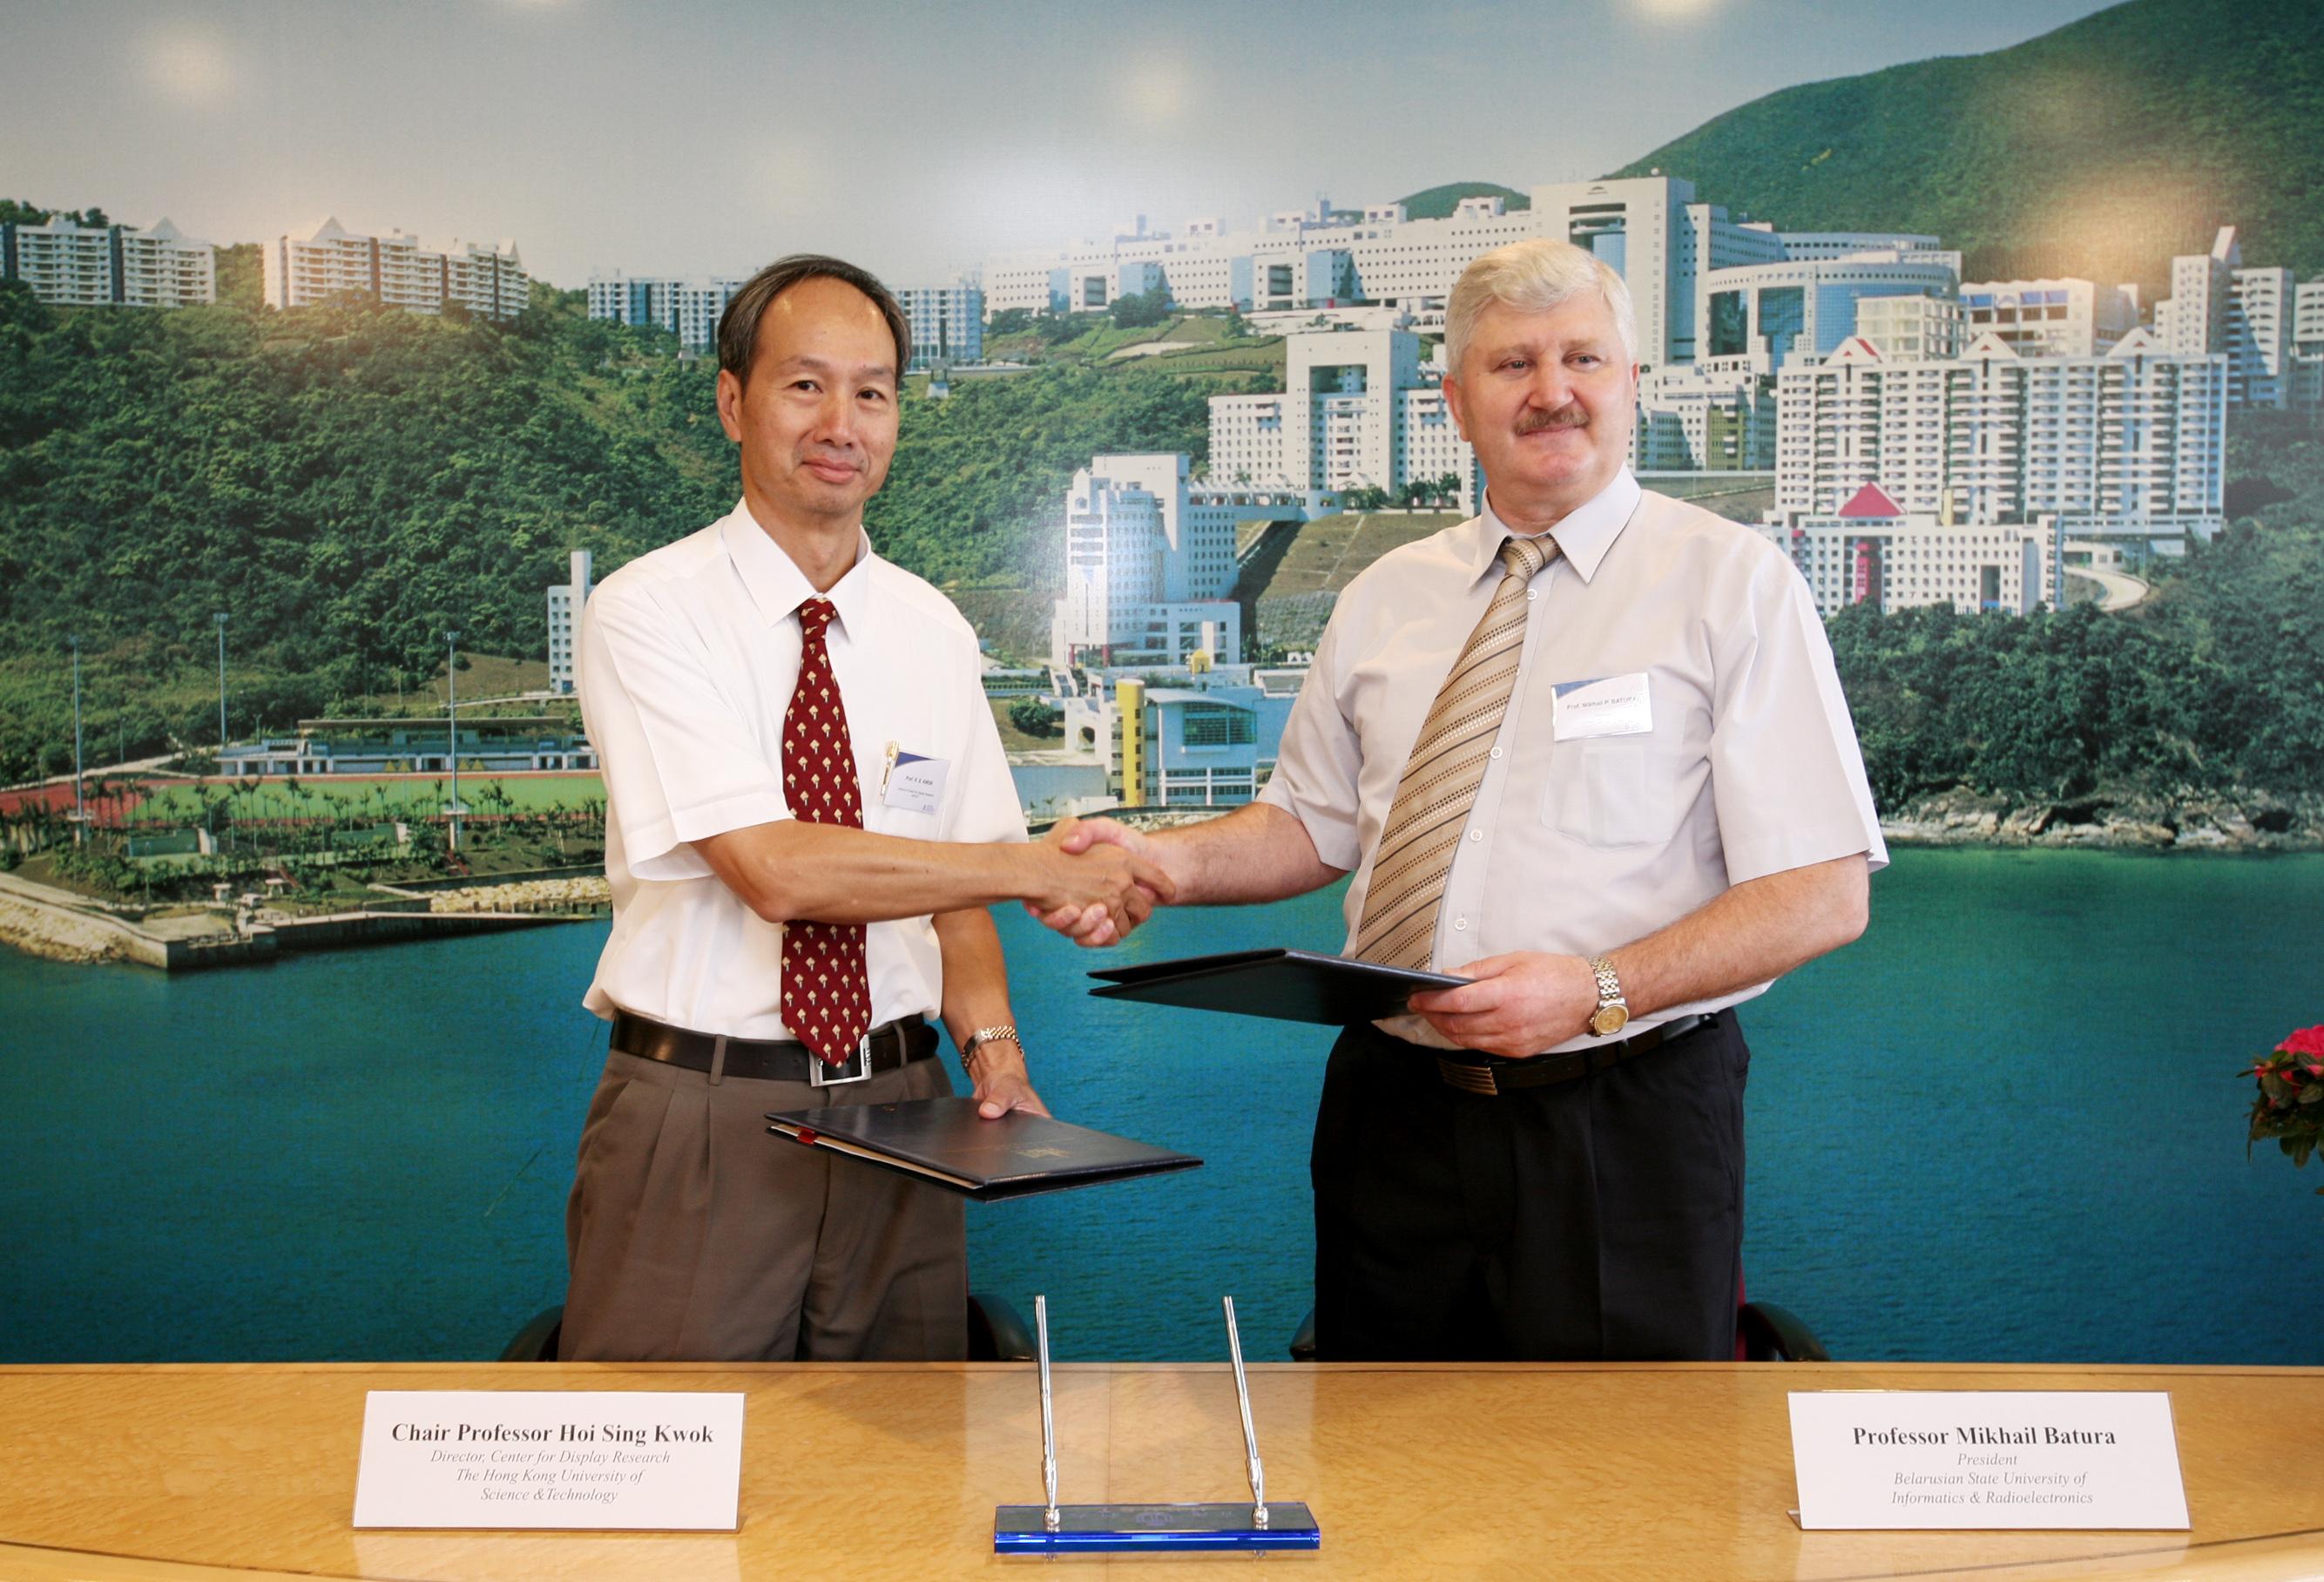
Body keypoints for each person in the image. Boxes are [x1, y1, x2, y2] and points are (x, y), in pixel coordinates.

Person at [1043, 237, 1884, 1362]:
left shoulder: (1732, 585)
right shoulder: (1389, 596)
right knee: (1381, 1465)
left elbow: (1822, 894)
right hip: (1390, 1114)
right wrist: (1166, 863)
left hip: (1620, 1116)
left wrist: (1595, 991)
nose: (1553, 392)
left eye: (1584, 357)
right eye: (1513, 366)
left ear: (1631, 381)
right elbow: (1311, 823)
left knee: (1622, 1483)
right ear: (1453, 399)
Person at [562, 254, 1172, 1362]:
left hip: (906, 1110)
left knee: (899, 1477)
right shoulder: (645, 610)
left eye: (873, 391)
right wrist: (1044, 870)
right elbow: (778, 872)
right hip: (704, 1110)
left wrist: (992, 1052)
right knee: (672, 1480)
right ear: (731, 400)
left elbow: (959, 885)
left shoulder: (930, 626)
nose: (841, 422)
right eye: (805, 386)